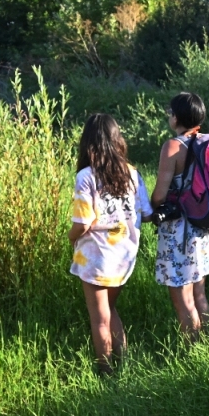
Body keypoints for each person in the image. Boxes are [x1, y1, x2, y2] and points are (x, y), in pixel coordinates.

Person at [68, 113, 153, 376]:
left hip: (95, 258)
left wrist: (70, 238)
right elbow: (146, 214)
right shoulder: (133, 174)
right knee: (110, 310)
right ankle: (123, 362)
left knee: (99, 319)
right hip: (124, 257)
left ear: (88, 142)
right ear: (117, 140)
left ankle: (105, 371)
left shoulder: (86, 176)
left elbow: (82, 223)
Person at [150, 92, 209, 340]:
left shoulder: (173, 146)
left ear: (176, 117)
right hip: (203, 227)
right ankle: (208, 341)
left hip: (180, 232)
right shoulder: (207, 141)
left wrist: (151, 209)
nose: (169, 116)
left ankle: (193, 349)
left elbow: (160, 195)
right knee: (199, 292)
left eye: (170, 112)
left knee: (182, 298)